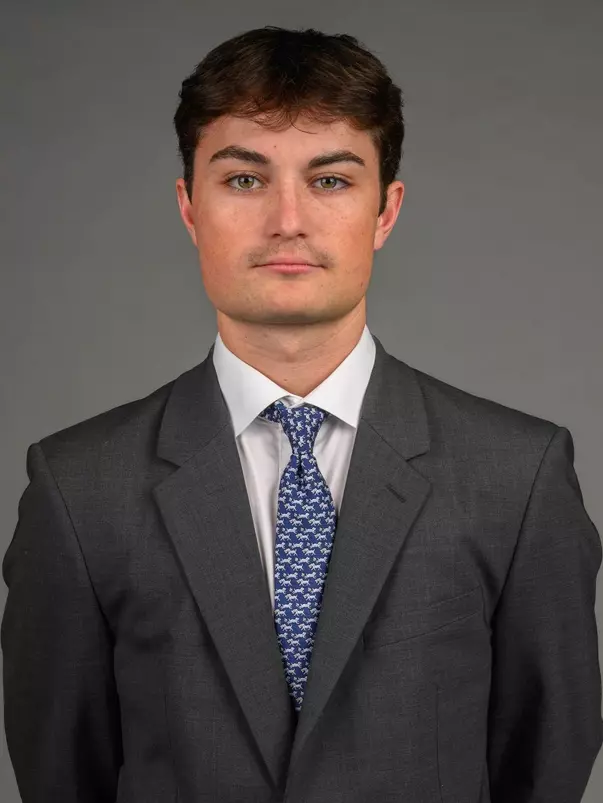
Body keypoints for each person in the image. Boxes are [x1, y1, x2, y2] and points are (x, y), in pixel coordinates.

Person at [2, 24, 602, 803]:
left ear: (385, 211)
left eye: (330, 180)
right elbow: (61, 770)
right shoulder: (80, 489)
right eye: (244, 180)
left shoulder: (514, 477)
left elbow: (545, 760)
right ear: (189, 207)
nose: (287, 220)